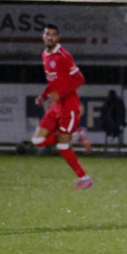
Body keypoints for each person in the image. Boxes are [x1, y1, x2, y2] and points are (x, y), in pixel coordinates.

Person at [31, 23, 92, 189]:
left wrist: (61, 94)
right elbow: (53, 81)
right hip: (56, 106)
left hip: (69, 106)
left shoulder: (63, 55)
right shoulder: (45, 55)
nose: (50, 37)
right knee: (37, 140)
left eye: (53, 35)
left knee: (63, 146)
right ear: (43, 36)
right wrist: (43, 95)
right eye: (47, 34)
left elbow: (80, 79)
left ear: (58, 38)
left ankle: (85, 179)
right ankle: (77, 134)